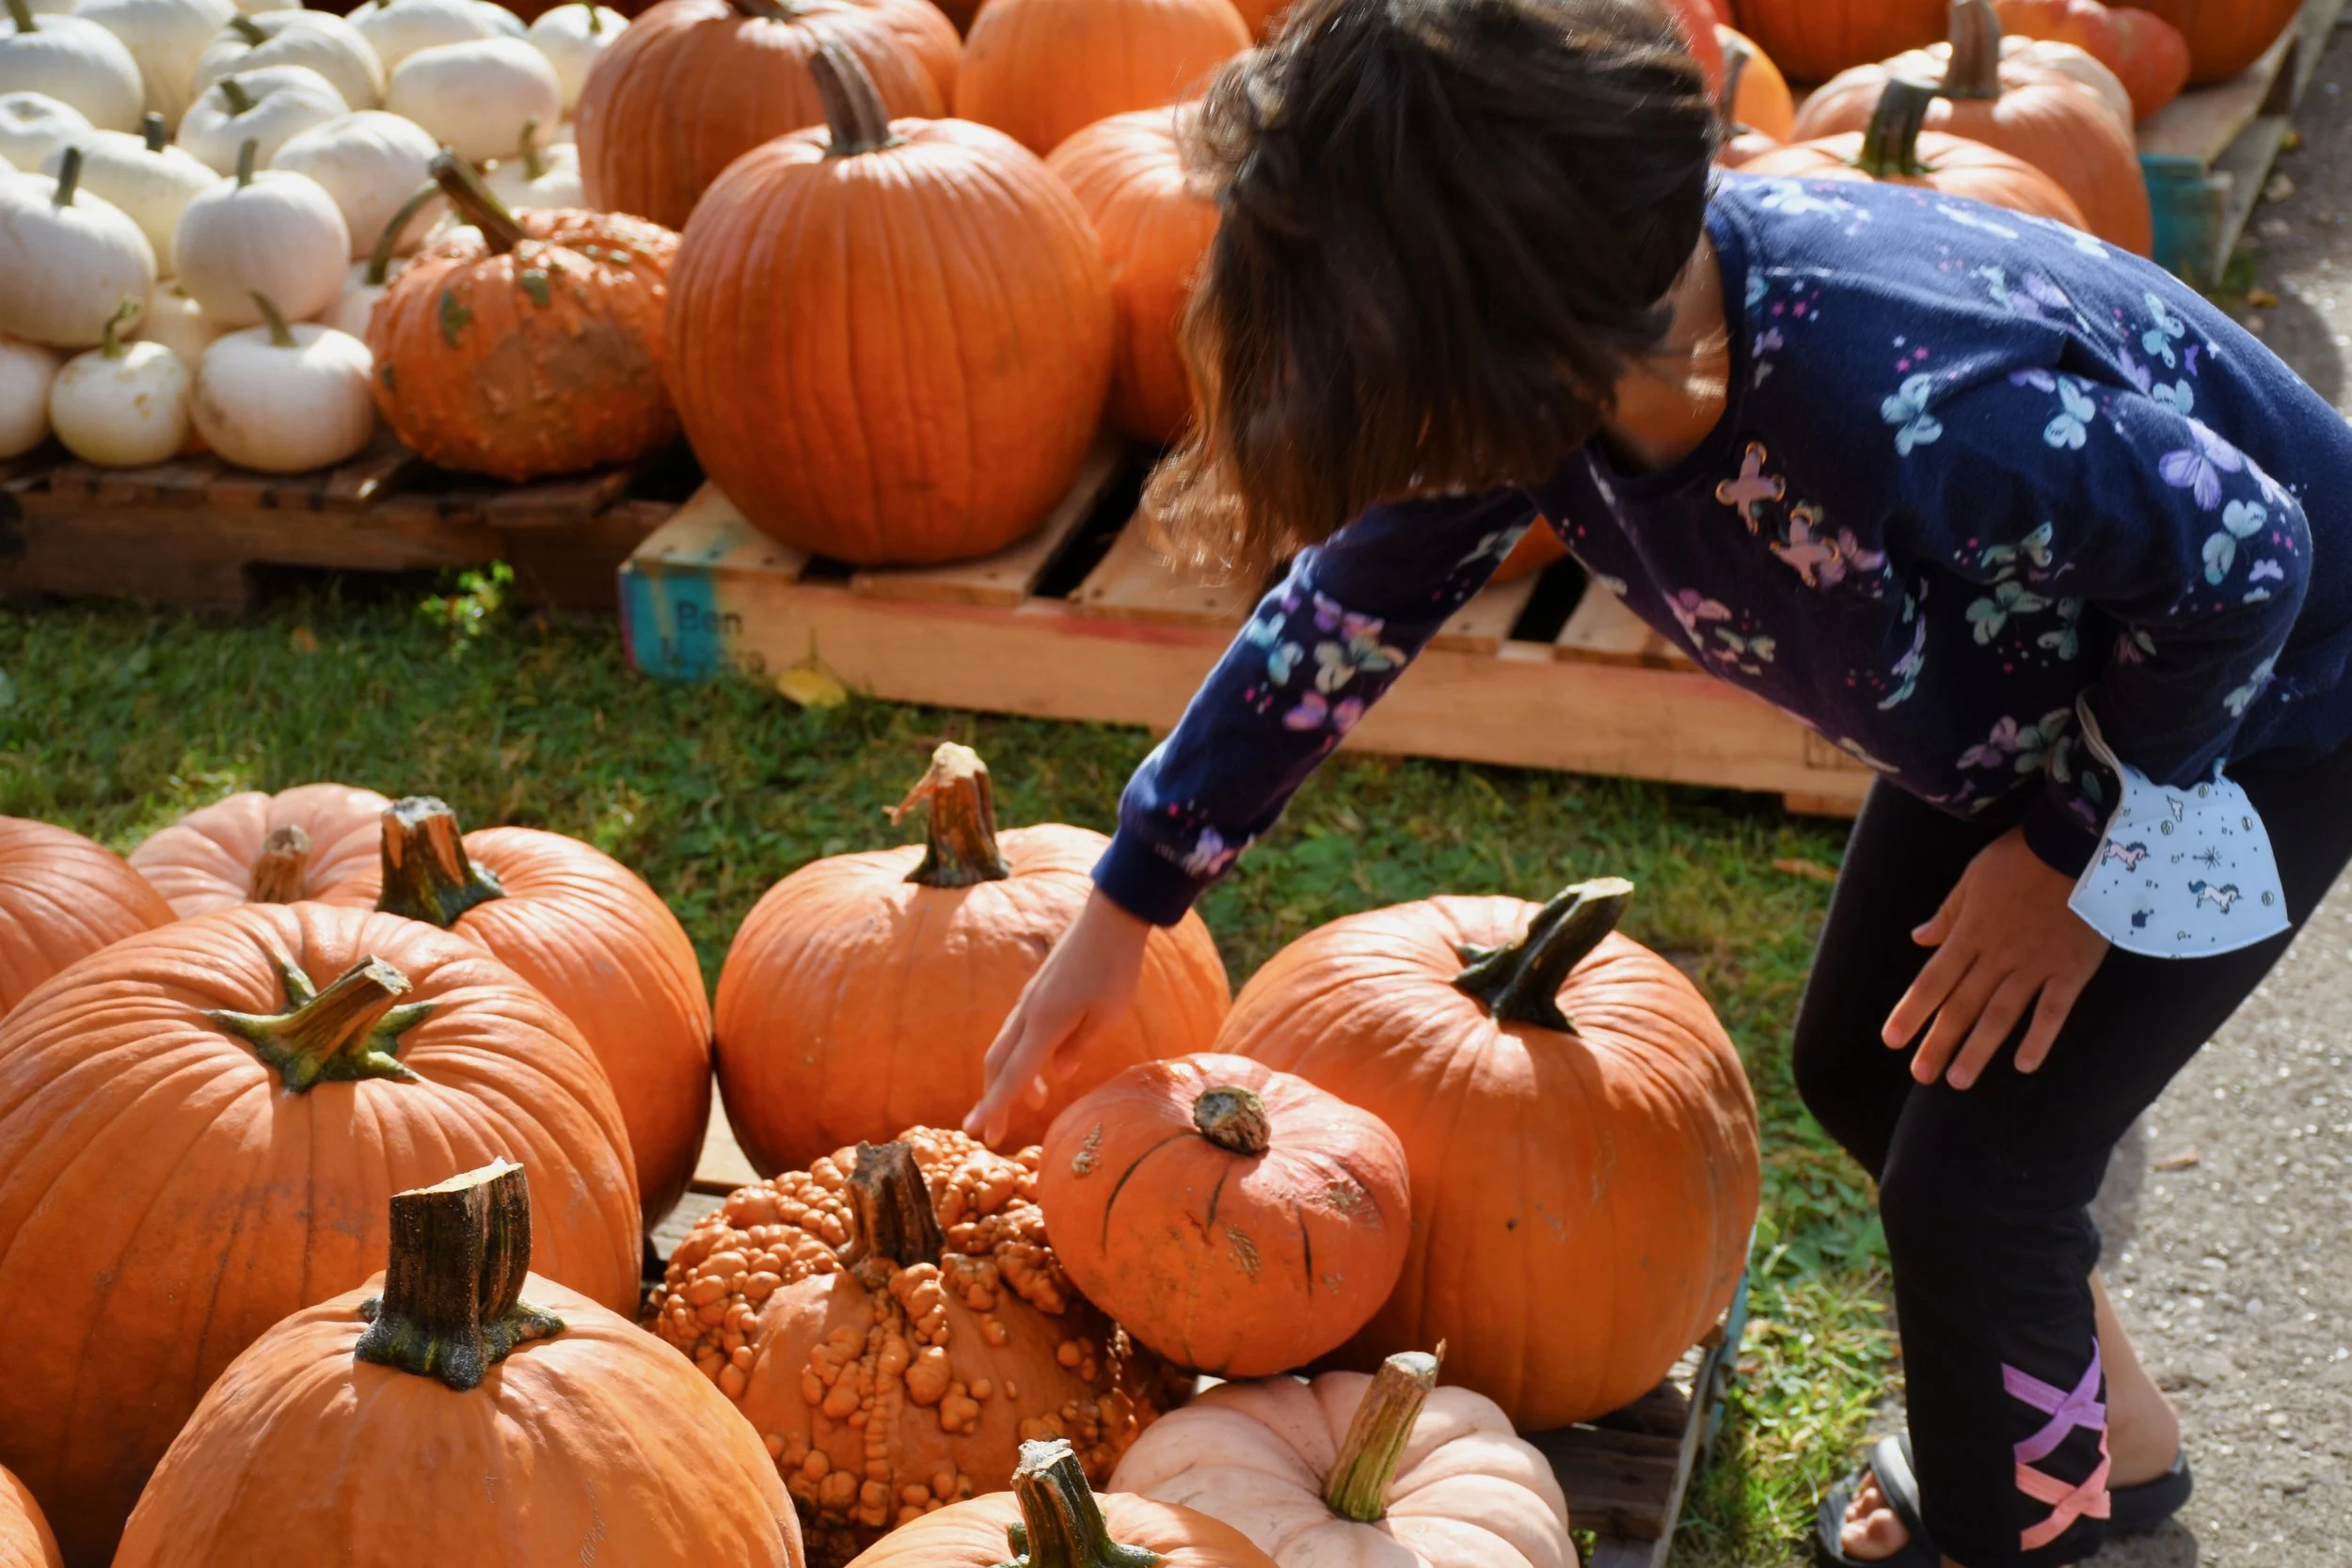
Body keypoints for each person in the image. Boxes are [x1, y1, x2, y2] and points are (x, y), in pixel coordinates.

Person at [961, 1, 2352, 1563]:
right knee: (1864, 1066)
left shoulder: (1897, 406)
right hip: (2037, 701)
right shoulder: (1555, 378)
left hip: (2251, 725)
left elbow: (2253, 558)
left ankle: (2014, 1531)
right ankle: (2105, 1451)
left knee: (1978, 1187)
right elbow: (1345, 617)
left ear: (1505, 328)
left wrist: (2071, 854)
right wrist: (1128, 901)